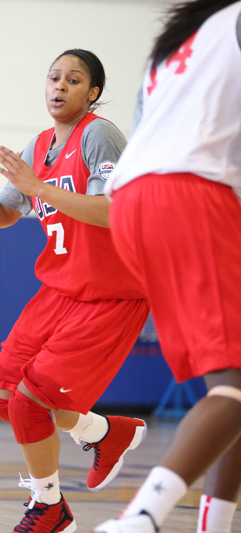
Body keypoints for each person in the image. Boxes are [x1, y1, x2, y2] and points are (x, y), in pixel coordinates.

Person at [0, 49, 150, 533]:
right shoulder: (39, 146)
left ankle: (49, 506)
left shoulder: (99, 134)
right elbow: (8, 210)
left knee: (31, 403)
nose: (60, 86)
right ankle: (104, 432)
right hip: (60, 291)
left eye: (74, 80)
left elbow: (113, 211)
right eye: (54, 77)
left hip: (109, 294)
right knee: (2, 396)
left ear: (92, 93)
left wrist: (40, 187)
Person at [88, 2, 241, 533]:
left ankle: (214, 524)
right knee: (232, 387)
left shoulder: (179, 43)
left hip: (135, 204)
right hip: (191, 194)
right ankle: (142, 518)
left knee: (234, 388)